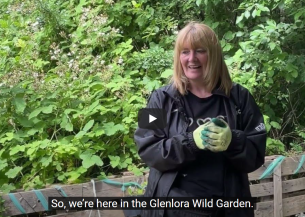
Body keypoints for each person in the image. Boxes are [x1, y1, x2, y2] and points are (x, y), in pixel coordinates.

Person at [134, 21, 267, 217]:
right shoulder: (159, 98)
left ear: (213, 55)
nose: (191, 58)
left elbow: (256, 155)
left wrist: (233, 141)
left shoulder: (240, 97)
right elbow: (146, 148)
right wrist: (190, 143)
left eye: (200, 51)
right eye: (185, 51)